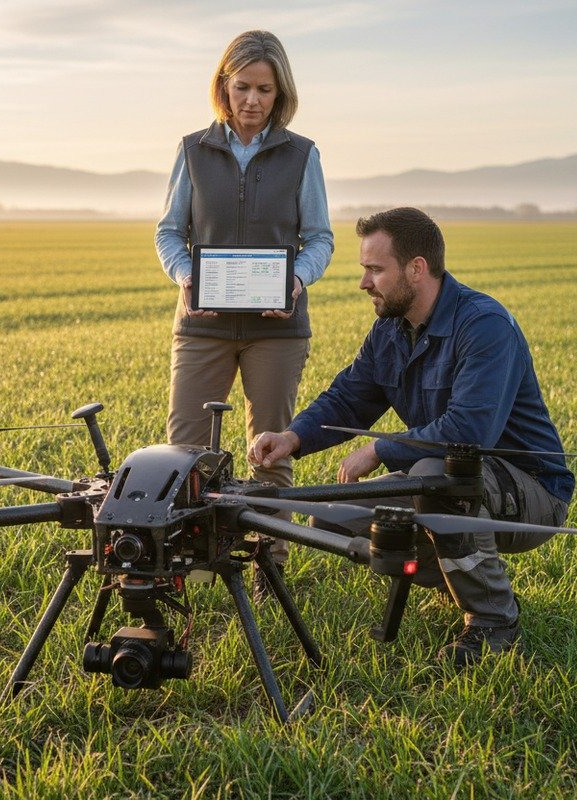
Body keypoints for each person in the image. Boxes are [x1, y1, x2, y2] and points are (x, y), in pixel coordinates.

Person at [248, 207, 575, 668]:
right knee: (335, 519)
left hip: (532, 491)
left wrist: (381, 448)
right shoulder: (390, 330)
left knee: (434, 476)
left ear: (416, 269)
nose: (364, 283)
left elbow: (468, 432)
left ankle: (494, 622)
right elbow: (348, 397)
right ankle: (457, 576)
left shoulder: (484, 326)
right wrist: (291, 437)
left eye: (374, 270)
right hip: (456, 478)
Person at [156, 30, 334, 576]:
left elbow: (320, 238)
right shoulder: (192, 149)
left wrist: (296, 281)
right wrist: (187, 276)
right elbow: (169, 233)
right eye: (242, 88)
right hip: (202, 328)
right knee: (184, 454)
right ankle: (182, 564)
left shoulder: (302, 154)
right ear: (223, 87)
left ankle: (268, 569)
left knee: (271, 453)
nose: (252, 101)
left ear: (280, 94)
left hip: (276, 332)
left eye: (264, 90)